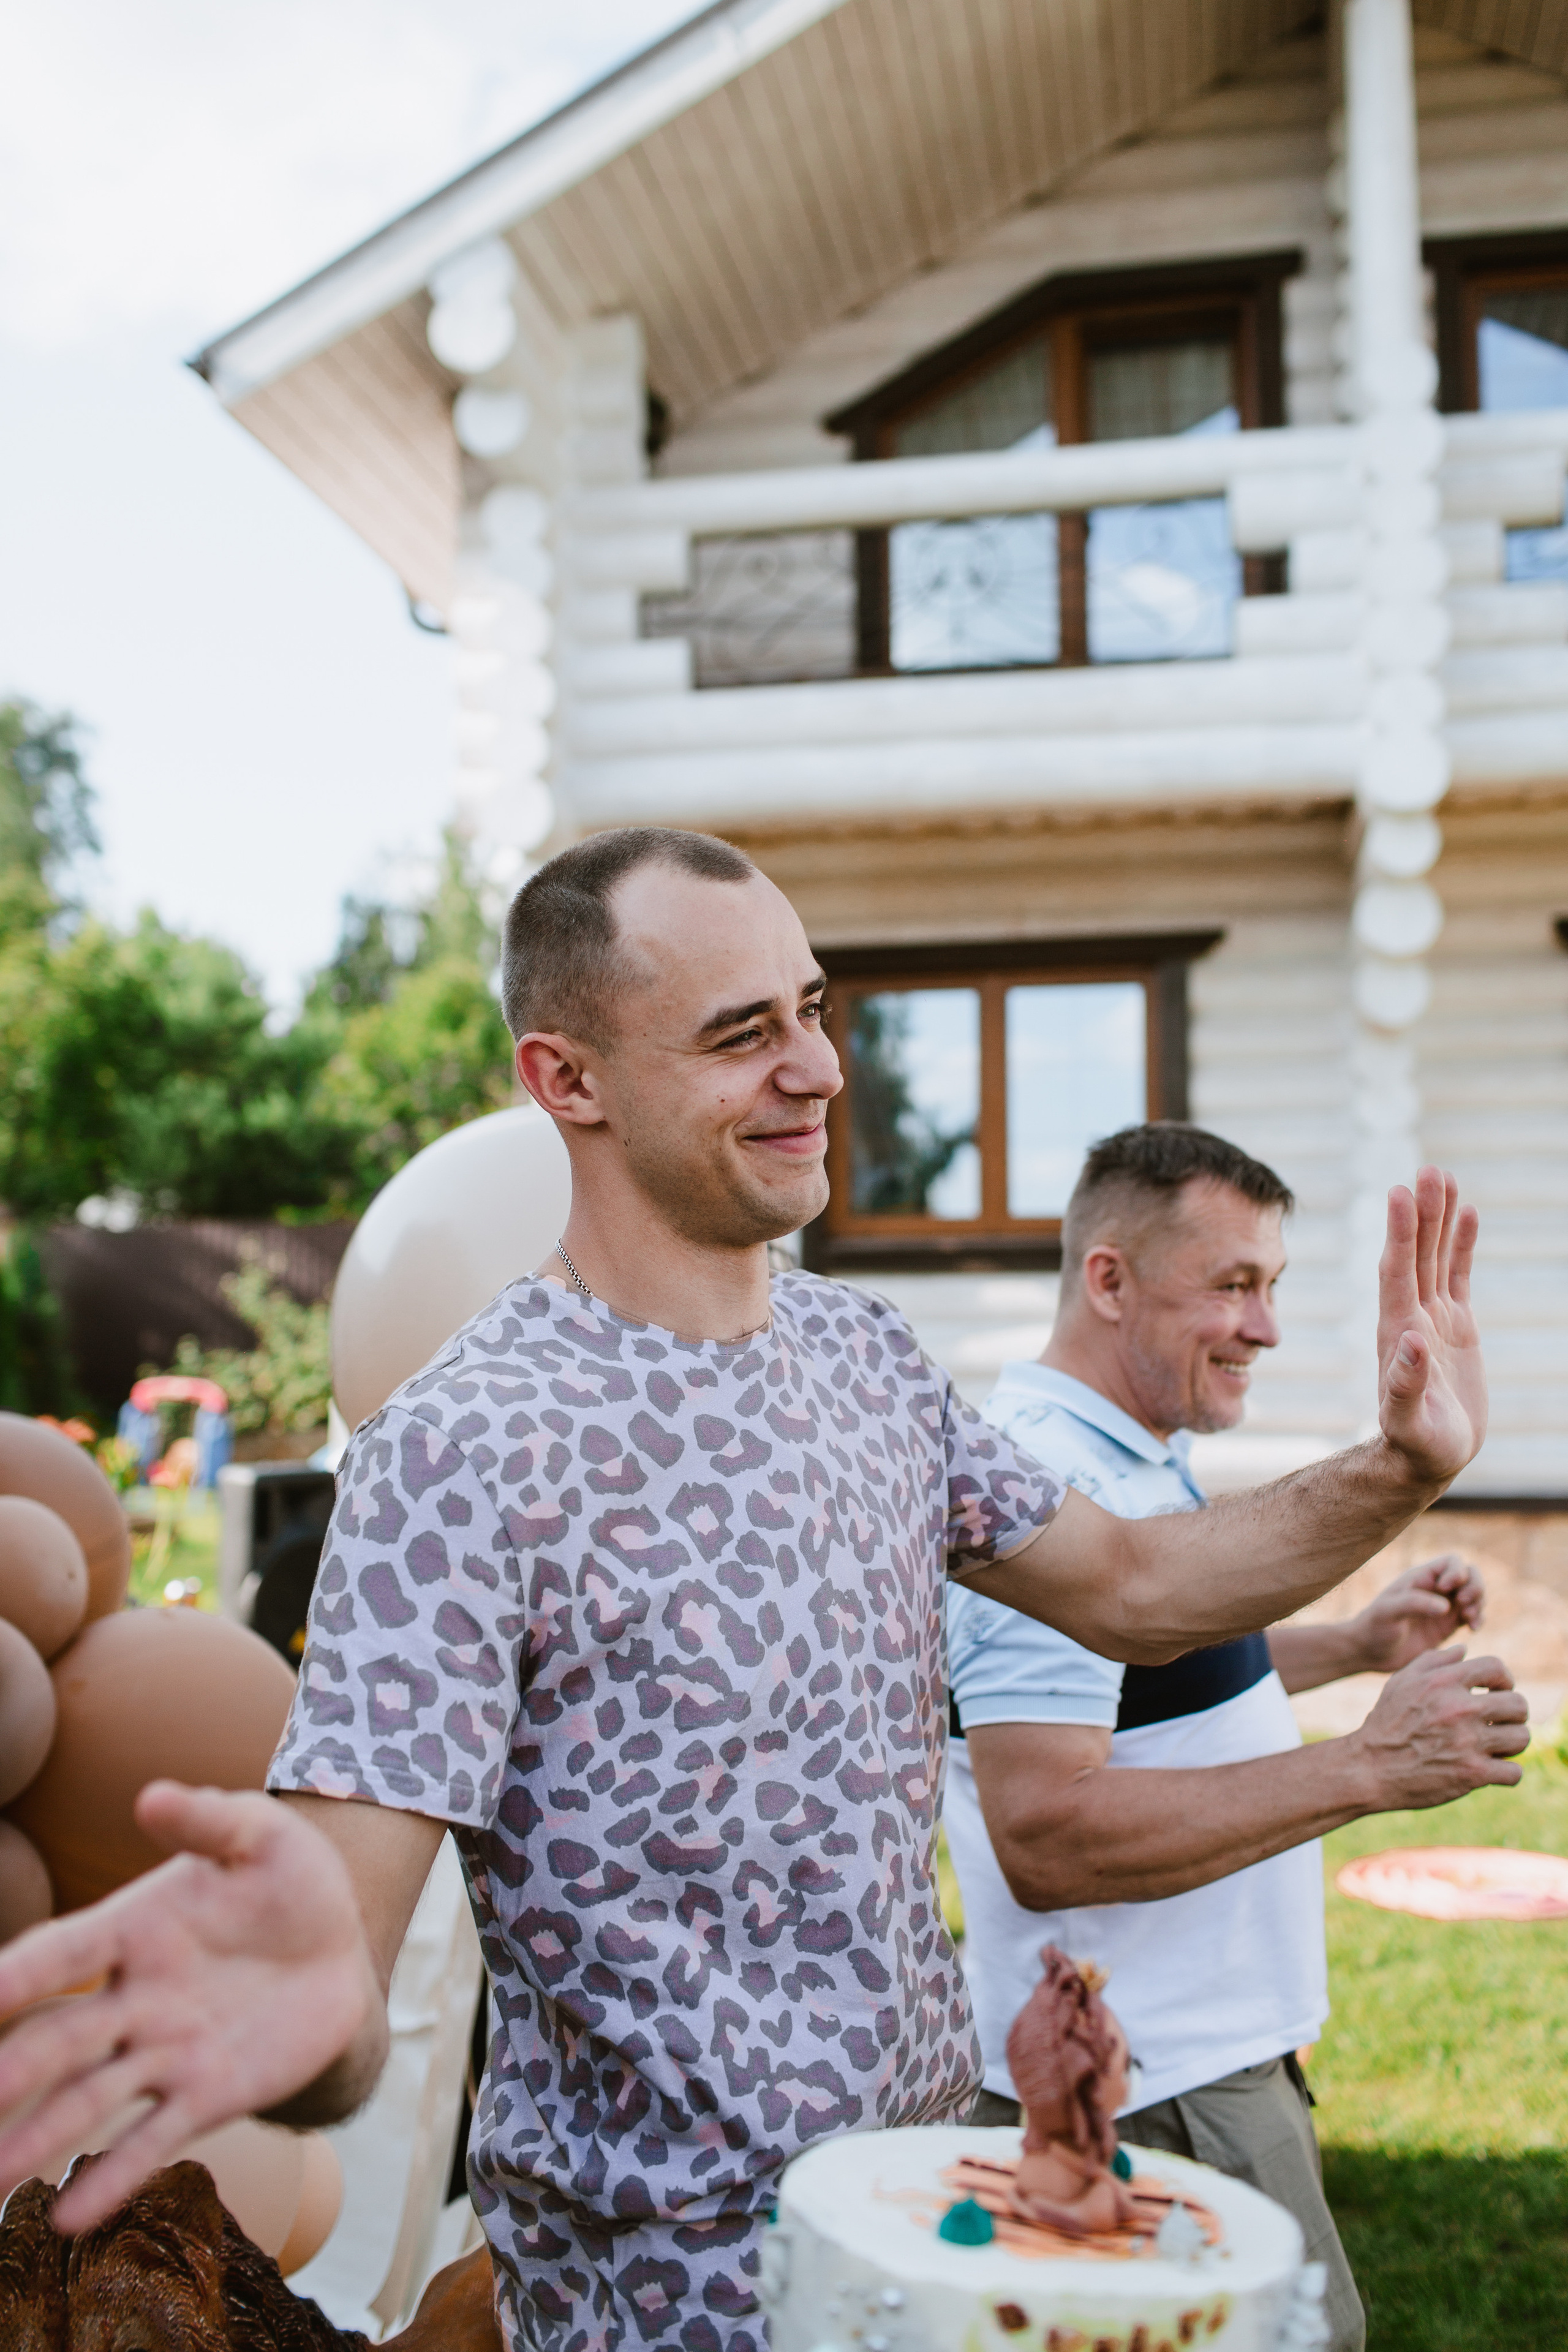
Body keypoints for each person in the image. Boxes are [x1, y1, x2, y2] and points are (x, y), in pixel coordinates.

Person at [0, 832, 1491, 2352]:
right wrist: (306, 2005)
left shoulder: (866, 1364)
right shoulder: (462, 1449)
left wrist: (1395, 1468)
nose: (820, 1070)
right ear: (567, 1080)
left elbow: (1129, 1585)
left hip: (926, 2243)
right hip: (665, 2309)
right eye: (742, 1035)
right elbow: (338, 1934)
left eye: (812, 1008)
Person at [943, 1123, 1529, 2352]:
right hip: (1156, 2089)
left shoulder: (1118, 1461)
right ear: (1106, 1281)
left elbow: (1136, 1686)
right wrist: (1367, 1764)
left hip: (1197, 2065)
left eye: (1272, 1287)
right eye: (1232, 1285)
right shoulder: (1053, 1481)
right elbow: (1044, 1831)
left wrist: (1352, 1645)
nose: (1263, 1329)